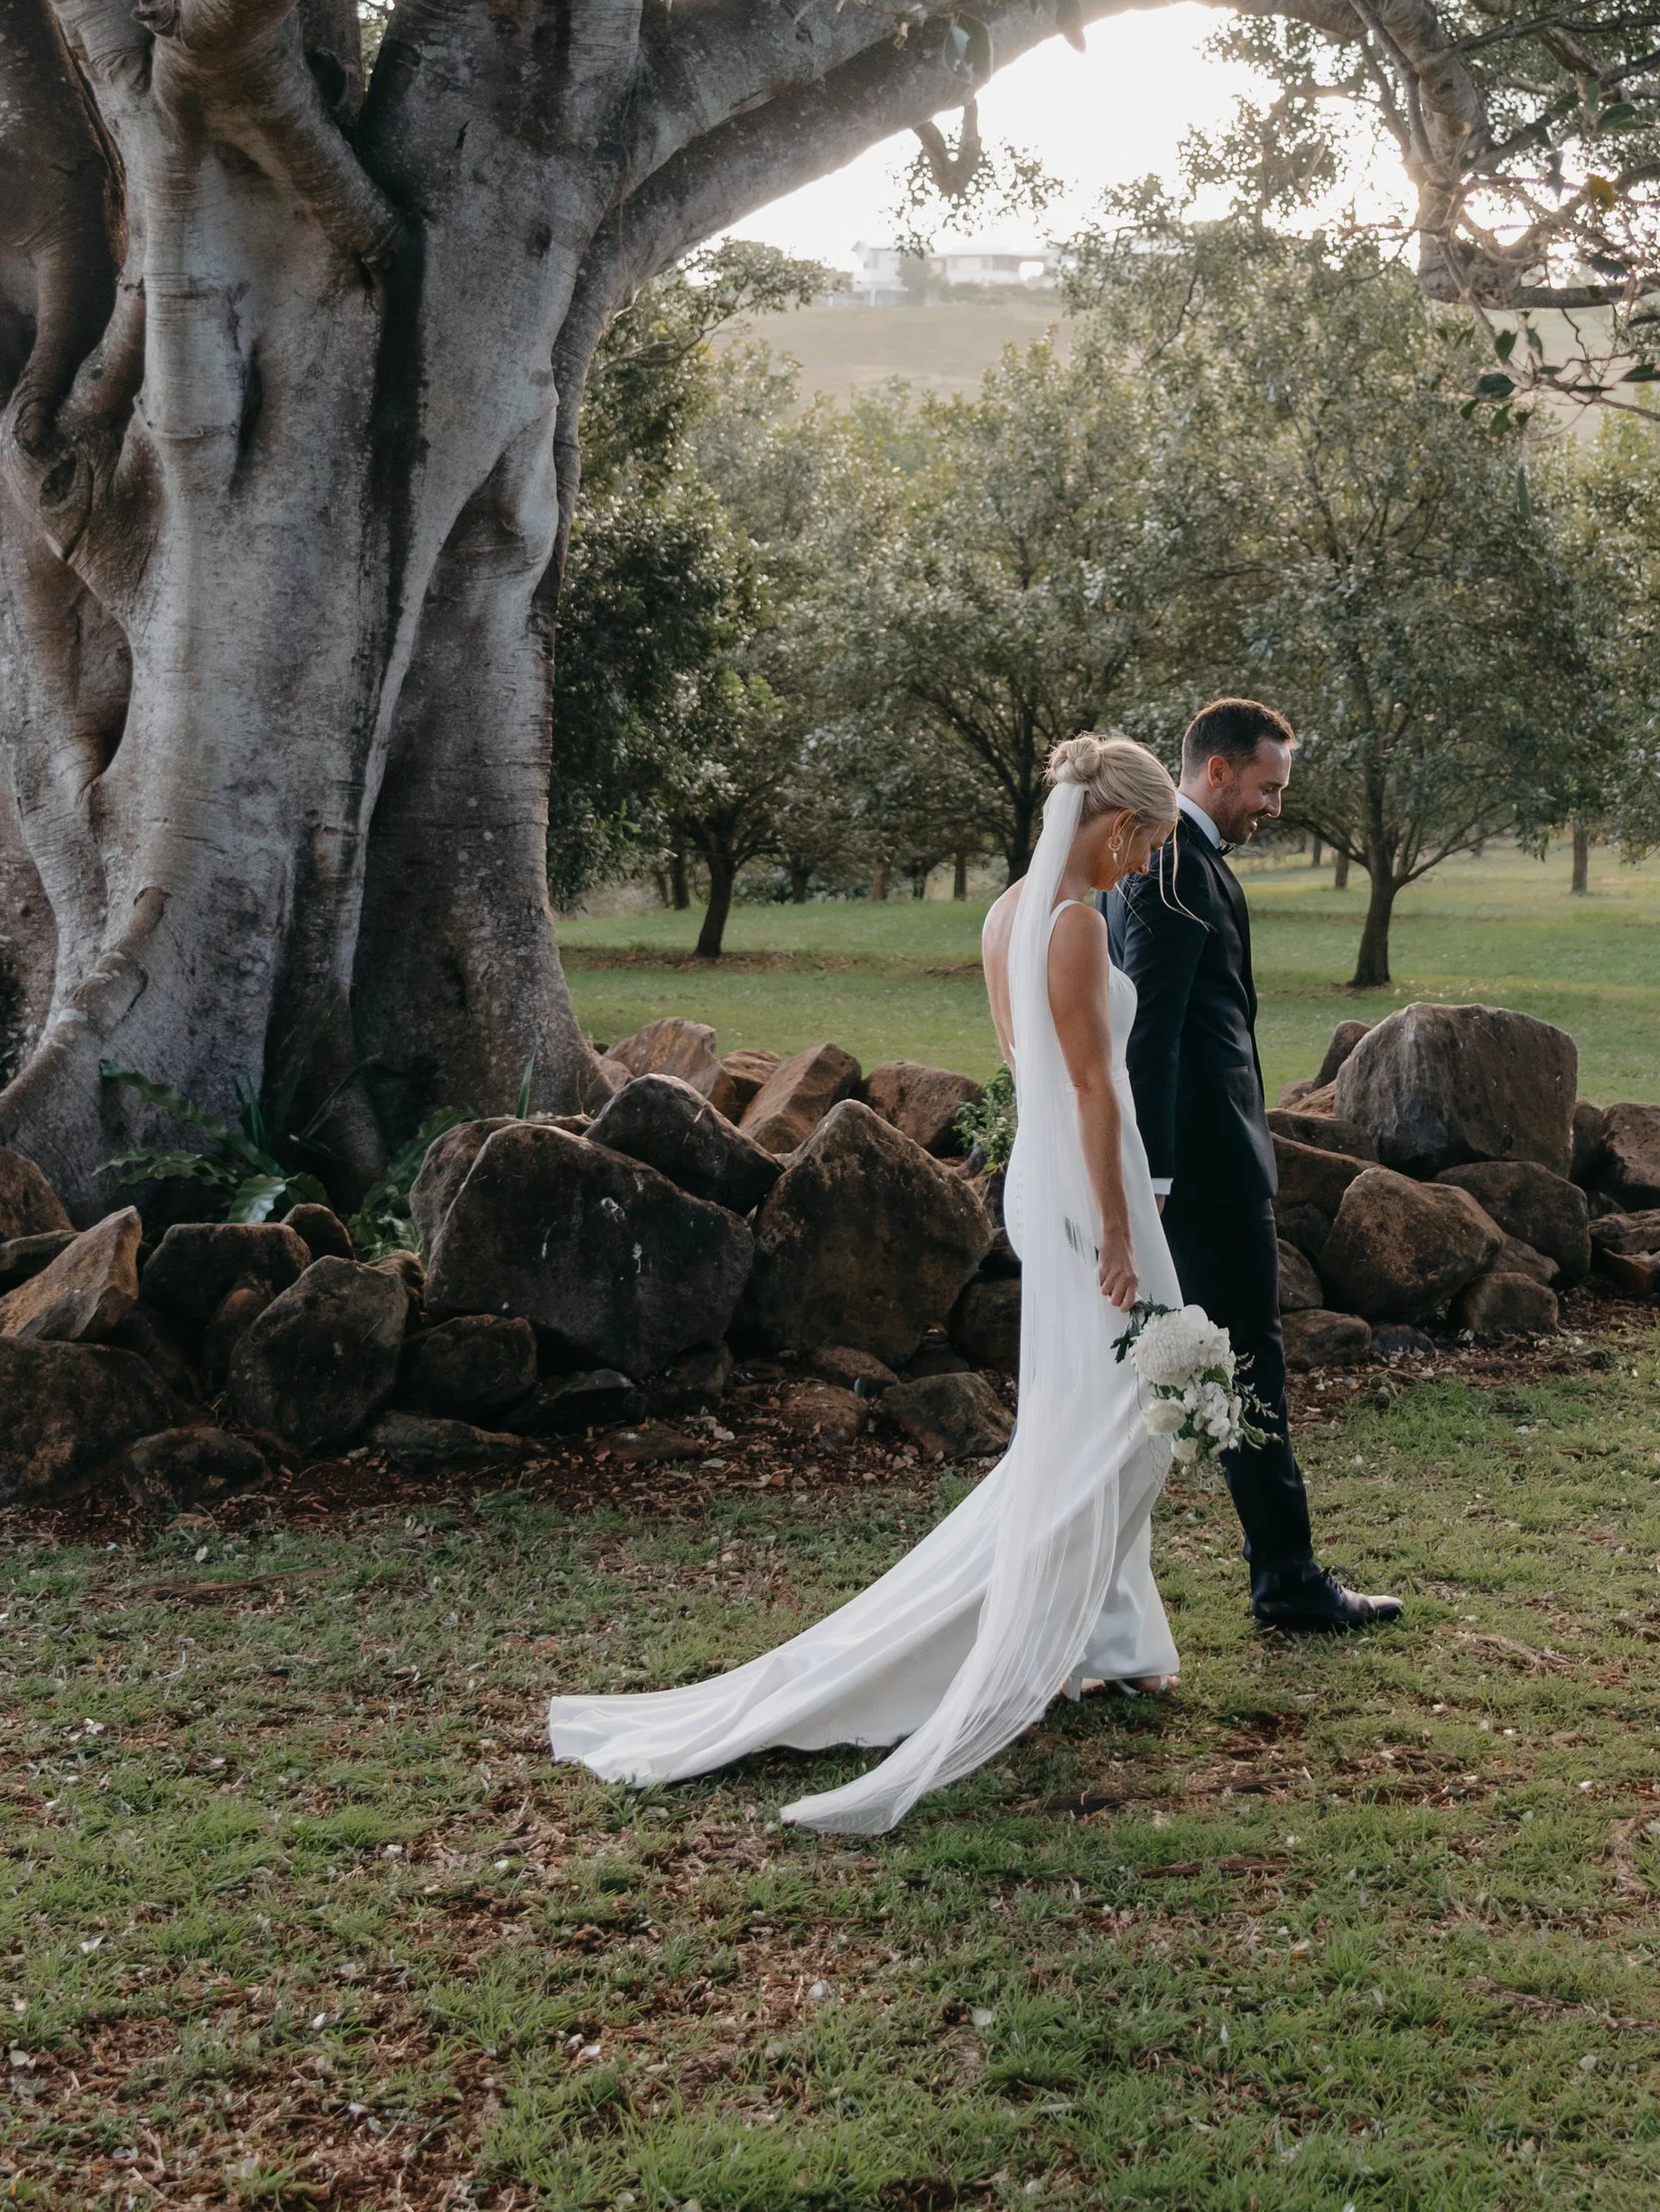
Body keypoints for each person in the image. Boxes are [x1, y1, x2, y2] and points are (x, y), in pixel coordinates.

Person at [546, 734, 1186, 1833]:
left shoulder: (1006, 914)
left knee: (1102, 1415)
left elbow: (1023, 1064)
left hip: (1047, 1177)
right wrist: (1124, 1223)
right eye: (1148, 845)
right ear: (1120, 824)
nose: (1143, 868)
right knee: (1133, 1412)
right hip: (1091, 1186)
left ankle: (1110, 1639)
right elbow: (1090, 1089)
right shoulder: (1076, 925)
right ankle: (1055, 1634)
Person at [1109, 697, 1402, 1639]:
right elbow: (1149, 1032)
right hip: (1202, 1176)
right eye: (1266, 788)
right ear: (1218, 769)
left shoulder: (1172, 863)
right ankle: (1285, 1578)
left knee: (1207, 1379)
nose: (1272, 807)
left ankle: (1270, 1571)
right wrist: (1153, 1176)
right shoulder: (1172, 871)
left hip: (1202, 1166)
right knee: (1247, 1373)